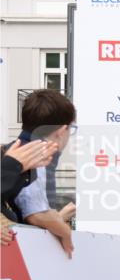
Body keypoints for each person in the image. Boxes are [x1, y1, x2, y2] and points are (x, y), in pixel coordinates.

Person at [7, 90, 77, 257]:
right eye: (71, 129)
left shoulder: (15, 148)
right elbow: (35, 215)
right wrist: (65, 232)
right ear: (62, 130)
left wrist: (58, 217)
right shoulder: (36, 157)